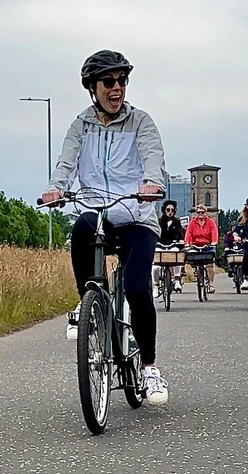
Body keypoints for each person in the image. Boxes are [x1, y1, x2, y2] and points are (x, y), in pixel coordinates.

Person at [41, 50, 169, 405]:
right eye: (109, 82)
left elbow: (153, 157)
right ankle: (88, 301)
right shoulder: (80, 125)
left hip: (136, 213)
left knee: (137, 288)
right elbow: (66, 162)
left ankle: (150, 367)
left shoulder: (141, 121)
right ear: (92, 88)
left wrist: (151, 184)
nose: (117, 88)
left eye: (122, 81)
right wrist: (56, 187)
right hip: (97, 210)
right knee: (81, 232)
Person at [183, 204, 218, 293]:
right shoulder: (192, 222)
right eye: (198, 212)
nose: (200, 214)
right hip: (195, 245)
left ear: (206, 213)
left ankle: (210, 284)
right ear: (196, 213)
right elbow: (188, 233)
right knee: (189, 256)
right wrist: (187, 243)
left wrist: (214, 242)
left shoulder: (210, 222)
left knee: (210, 263)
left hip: (207, 245)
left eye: (202, 212)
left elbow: (214, 233)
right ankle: (195, 270)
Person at [152, 200, 185, 295]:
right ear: (164, 210)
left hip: (172, 246)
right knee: (155, 267)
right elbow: (155, 233)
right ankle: (156, 285)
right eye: (168, 210)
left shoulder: (177, 222)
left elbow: (180, 233)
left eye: (172, 210)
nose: (170, 212)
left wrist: (179, 240)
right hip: (160, 246)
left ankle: (177, 279)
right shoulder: (158, 222)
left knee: (177, 257)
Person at [232, 199, 248, 290]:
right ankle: (246, 279)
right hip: (247, 243)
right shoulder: (244, 219)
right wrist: (236, 236)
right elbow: (237, 230)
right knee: (246, 257)